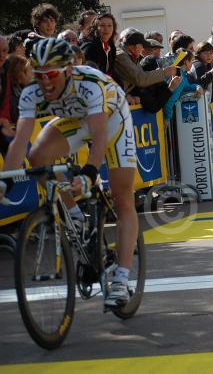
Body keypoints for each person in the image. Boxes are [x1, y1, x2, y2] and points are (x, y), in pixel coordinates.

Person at [0, 38, 137, 308]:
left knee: (122, 199)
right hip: (73, 119)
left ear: (69, 70)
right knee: (37, 156)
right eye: (39, 76)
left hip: (111, 120)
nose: (45, 83)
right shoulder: (33, 92)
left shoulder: (90, 84)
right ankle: (75, 216)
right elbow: (19, 141)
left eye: (51, 75)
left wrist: (88, 173)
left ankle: (121, 279)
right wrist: (5, 182)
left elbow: (98, 138)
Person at [114, 30, 177, 103]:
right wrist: (164, 72)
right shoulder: (121, 56)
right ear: (137, 46)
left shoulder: (132, 55)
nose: (142, 49)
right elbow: (140, 79)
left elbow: (141, 76)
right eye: (143, 46)